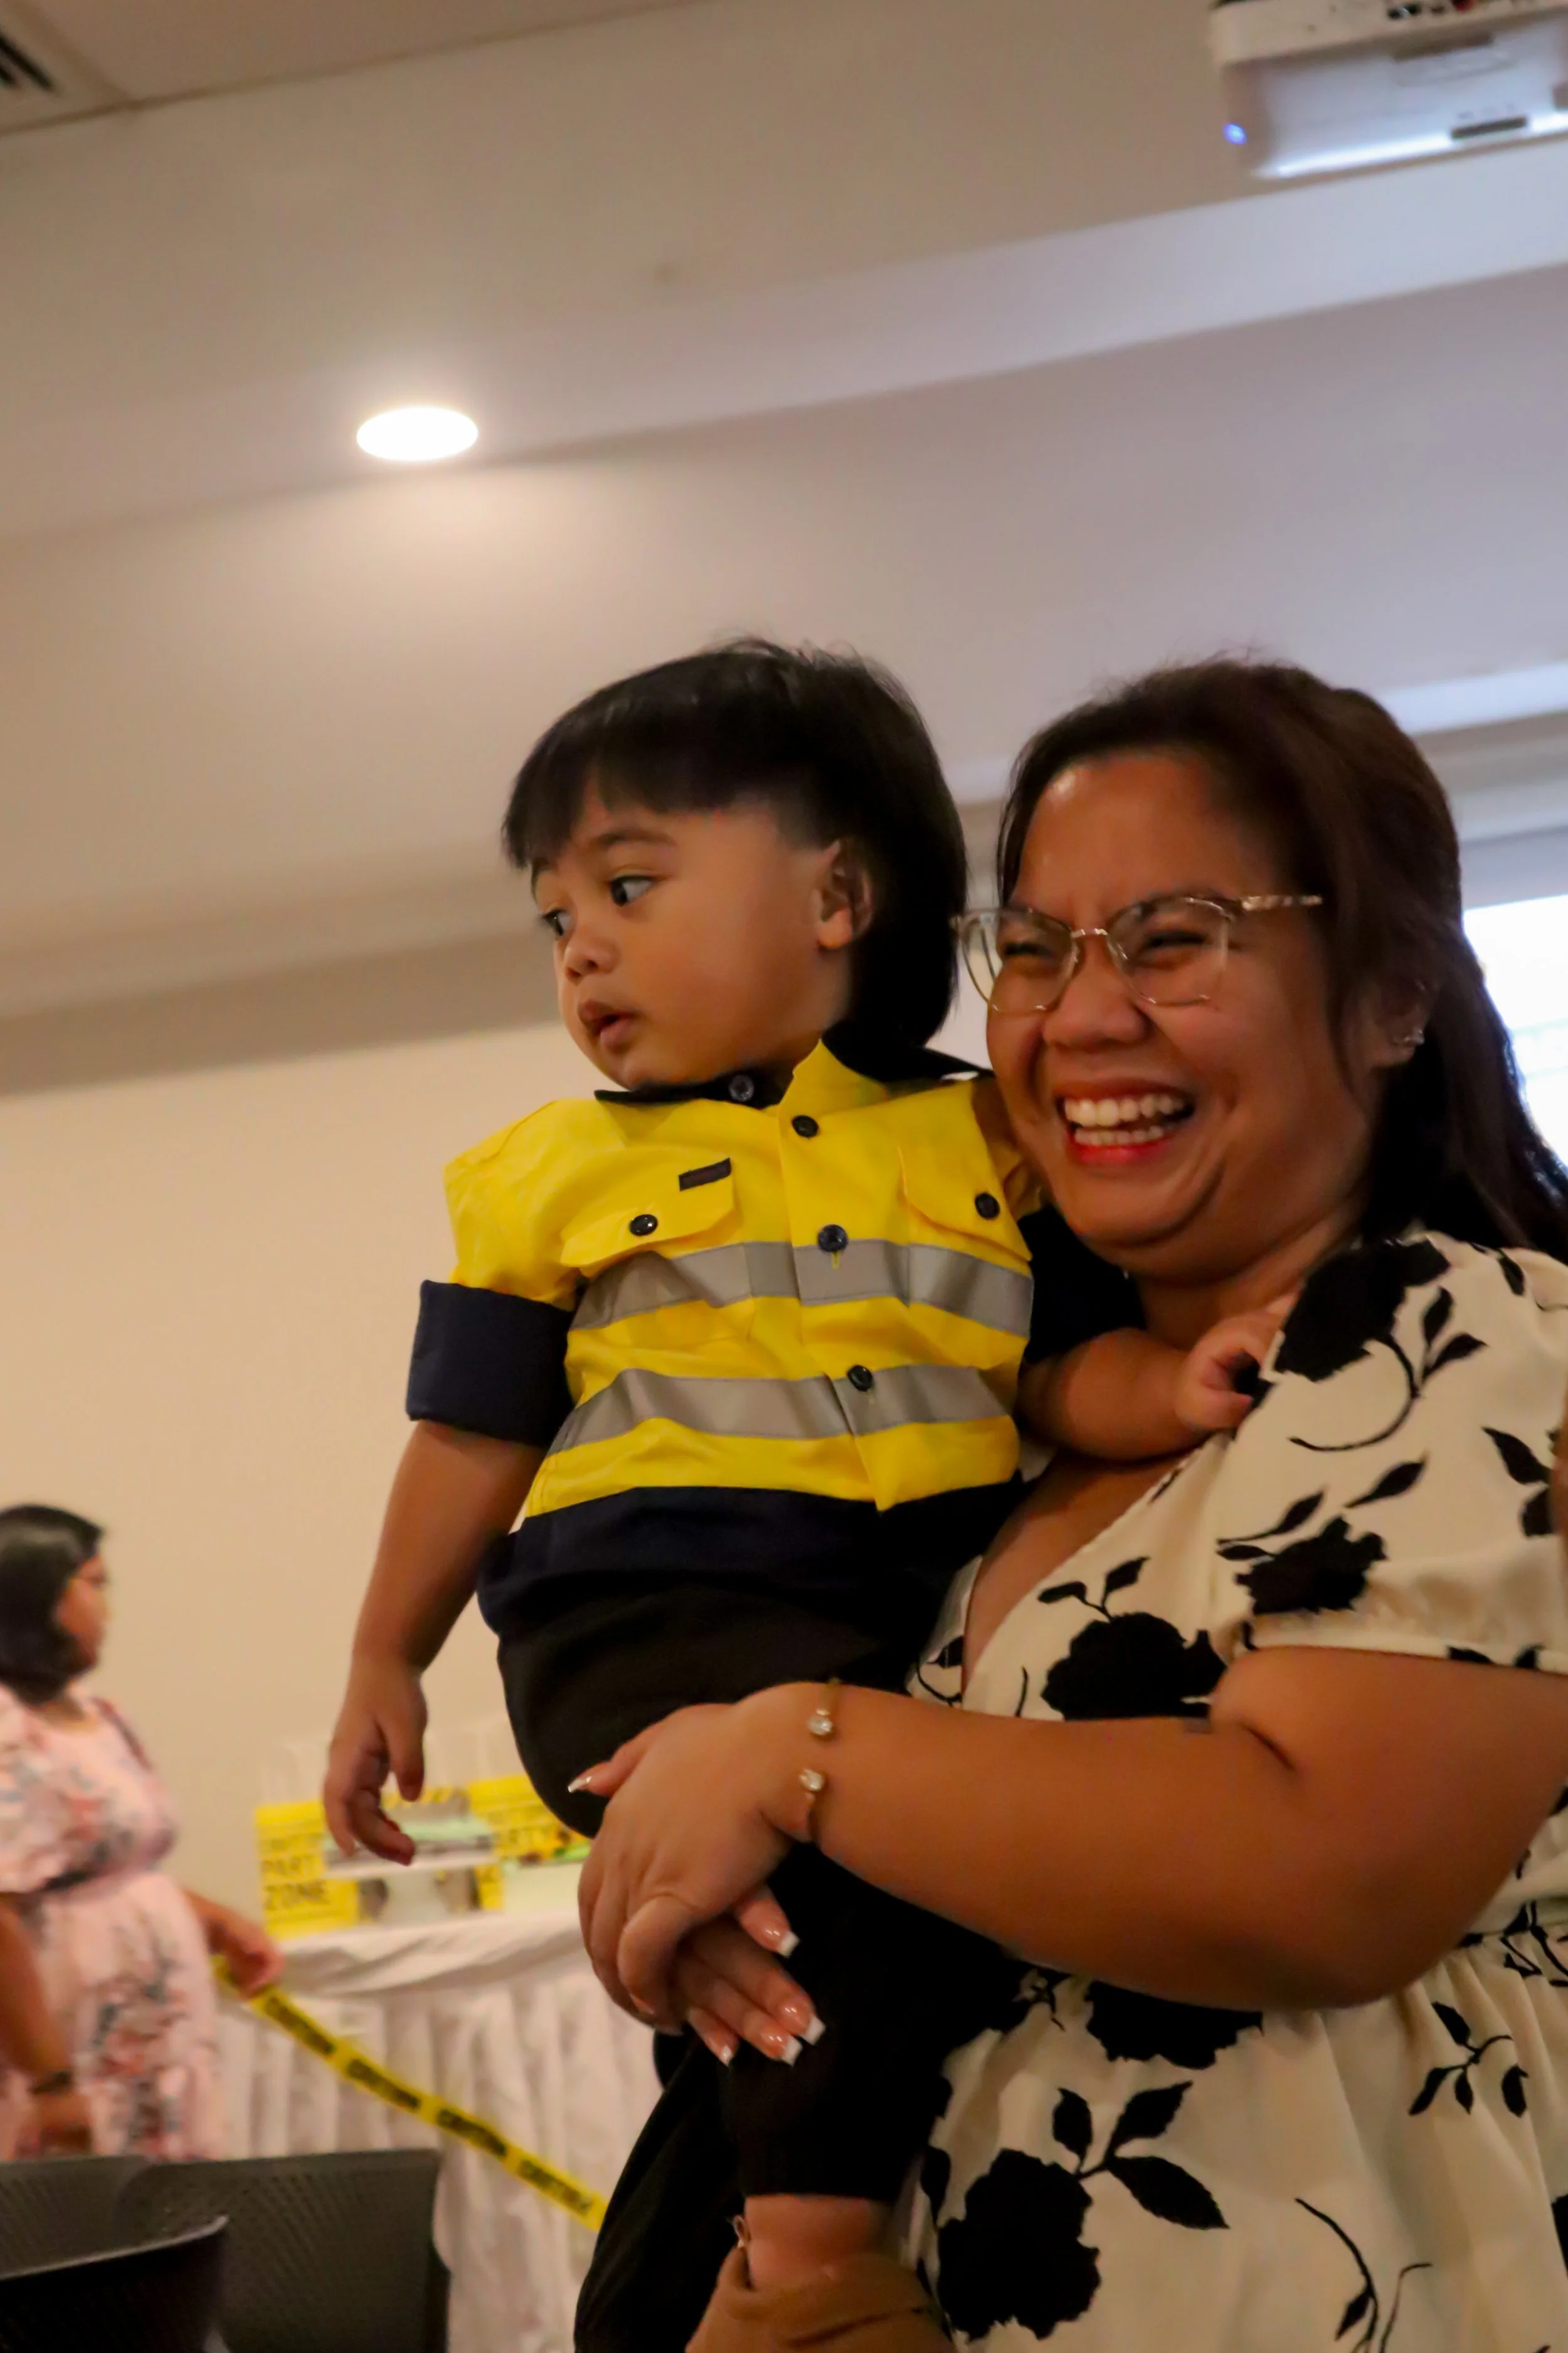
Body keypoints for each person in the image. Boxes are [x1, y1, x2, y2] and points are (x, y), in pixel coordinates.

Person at [576, 657, 1568, 2351]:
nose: (1076, 1013)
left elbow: (1325, 1870)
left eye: (1172, 938)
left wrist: (797, 1750)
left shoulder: (1468, 1331)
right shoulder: (1005, 1403)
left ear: (1393, 993)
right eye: (1031, 948)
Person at [324, 642, 1276, 2353]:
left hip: (888, 1601)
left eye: (625, 883)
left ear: (837, 892)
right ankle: (808, 2274)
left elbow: (1045, 1374)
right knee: (835, 1891)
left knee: (897, 1886)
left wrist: (1177, 1385)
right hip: (643, 1602)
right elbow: (469, 1437)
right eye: (555, 919)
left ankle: (774, 2212)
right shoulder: (548, 1170)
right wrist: (381, 1654)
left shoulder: (982, 1134)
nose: (581, 948)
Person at [0, 1505, 280, 2159]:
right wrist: (51, 2082)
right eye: (93, 1585)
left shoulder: (100, 1718)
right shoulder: (9, 1735)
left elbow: (111, 1869)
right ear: (32, 1600)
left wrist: (217, 1921)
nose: (108, 1608)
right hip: (73, 2054)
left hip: (157, 2048)